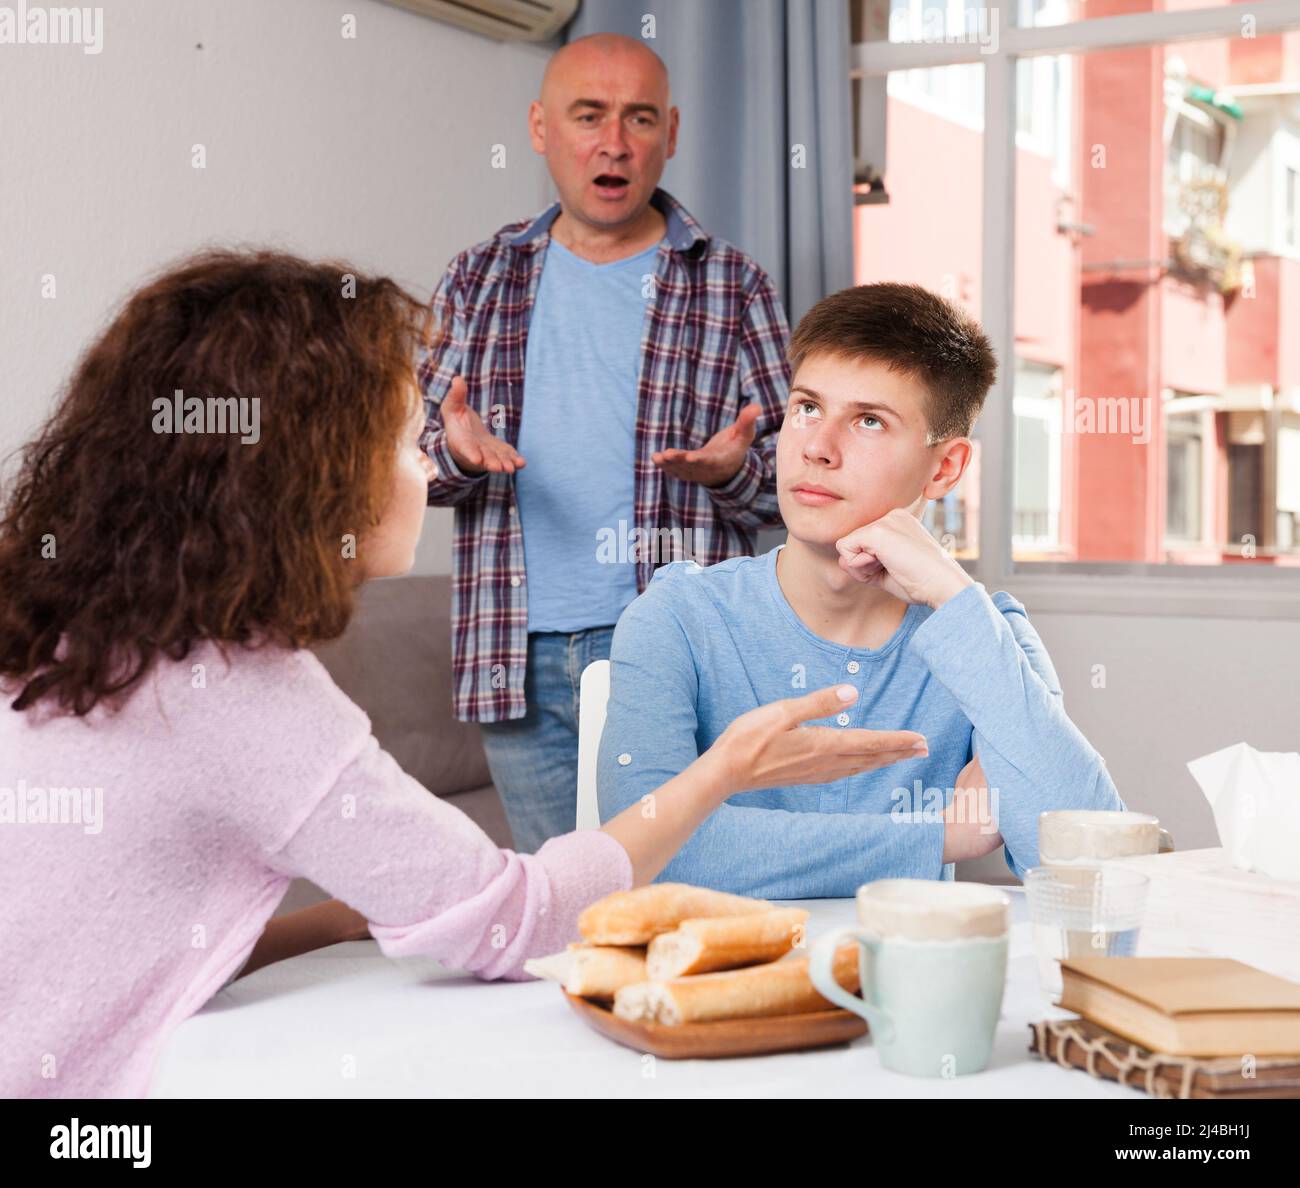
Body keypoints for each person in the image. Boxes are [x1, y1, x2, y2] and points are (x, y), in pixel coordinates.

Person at [0, 251, 914, 1098]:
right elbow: (516, 920)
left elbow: (115, 942)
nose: (425, 465)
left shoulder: (69, 632)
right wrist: (729, 769)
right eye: (404, 439)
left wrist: (340, 919)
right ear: (309, 473)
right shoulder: (243, 693)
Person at [597, 282, 1128, 898]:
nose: (817, 448)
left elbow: (1094, 873)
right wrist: (939, 838)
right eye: (807, 408)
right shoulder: (678, 617)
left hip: (907, 984)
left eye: (869, 421)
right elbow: (643, 852)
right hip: (718, 984)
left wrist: (955, 600)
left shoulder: (984, 632)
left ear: (946, 468)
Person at [419, 32, 790, 853]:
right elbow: (414, 468)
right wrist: (454, 453)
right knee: (570, 917)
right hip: (511, 652)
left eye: (639, 118)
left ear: (672, 133)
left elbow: (797, 487)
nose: (614, 143)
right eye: (589, 115)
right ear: (541, 127)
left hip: (673, 649)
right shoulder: (476, 279)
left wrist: (735, 474)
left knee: (691, 890)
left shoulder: (735, 285)